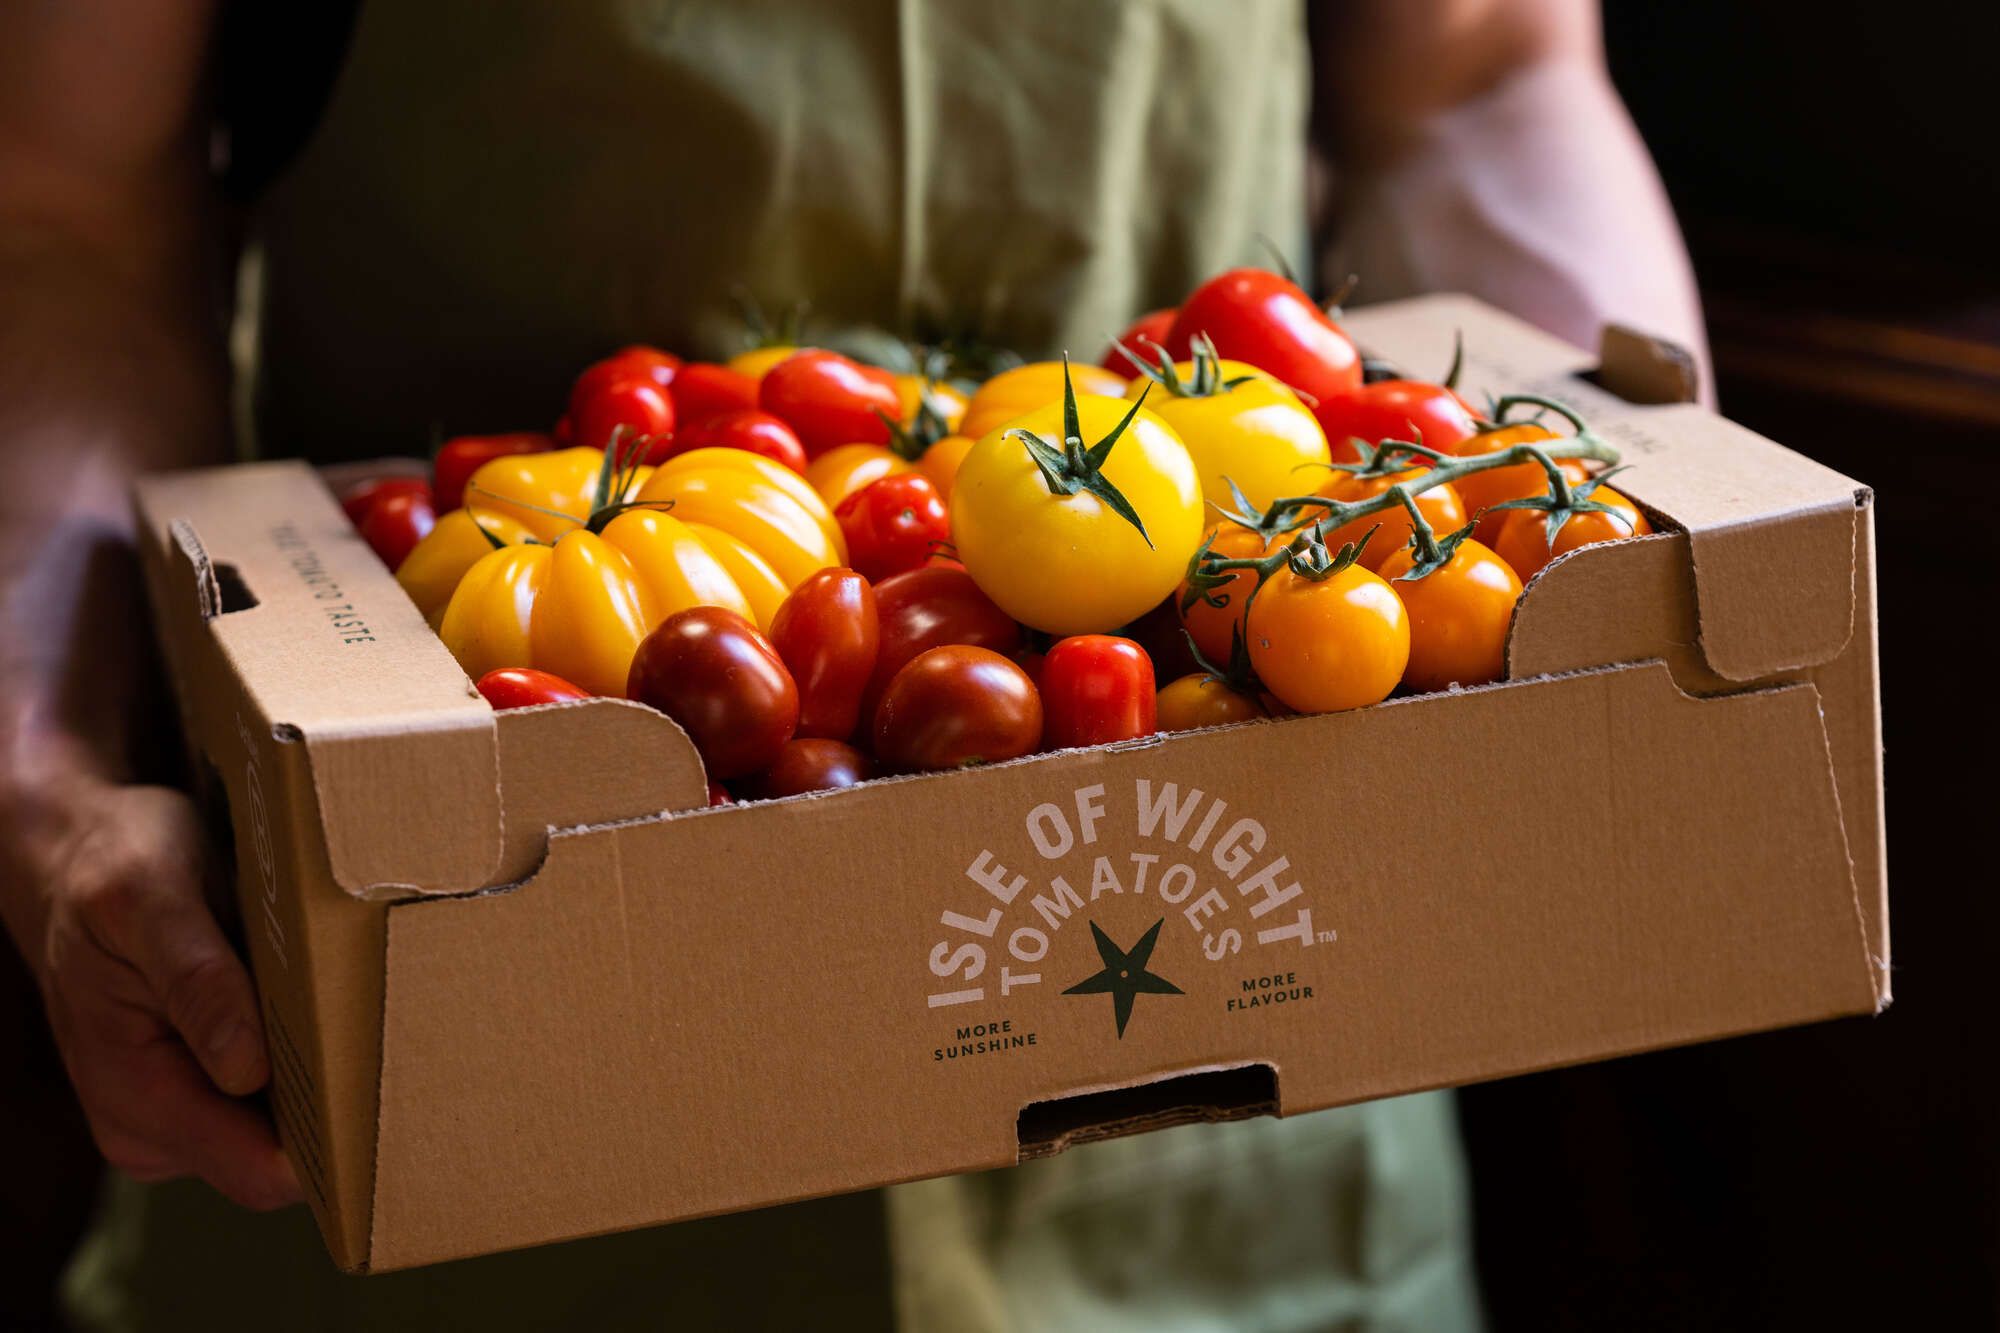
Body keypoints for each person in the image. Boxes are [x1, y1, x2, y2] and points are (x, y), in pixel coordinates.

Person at [0, 1, 1703, 1328]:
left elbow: (1482, 74)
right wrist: (54, 773)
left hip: (1241, 972)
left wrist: (1633, 538)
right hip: (458, 1029)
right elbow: (65, 207)